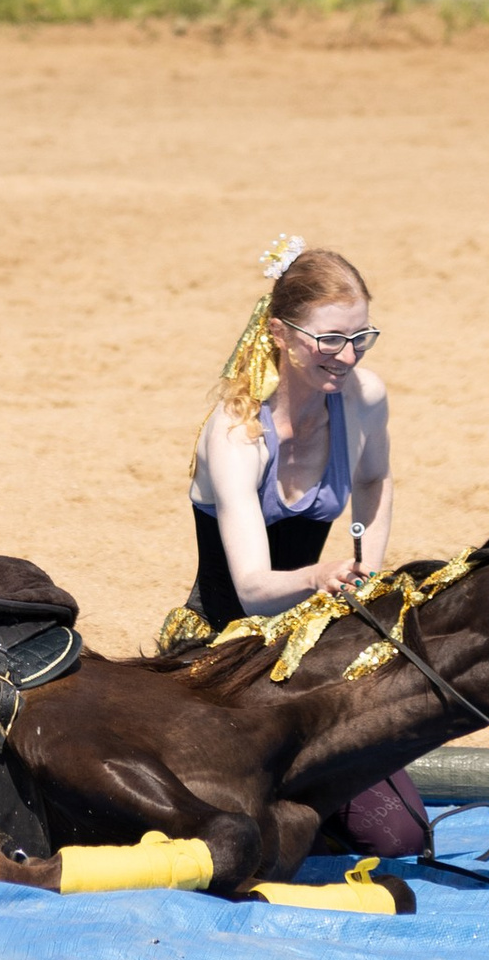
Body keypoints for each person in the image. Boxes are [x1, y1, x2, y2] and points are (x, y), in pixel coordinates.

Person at [183, 235, 429, 857]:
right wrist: (319, 576)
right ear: (280, 333)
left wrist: (364, 573)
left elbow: (374, 478)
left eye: (360, 337)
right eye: (330, 339)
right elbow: (252, 589)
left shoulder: (364, 400)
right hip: (224, 657)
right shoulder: (237, 434)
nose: (347, 356)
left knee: (400, 835)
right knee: (240, 834)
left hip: (313, 648)